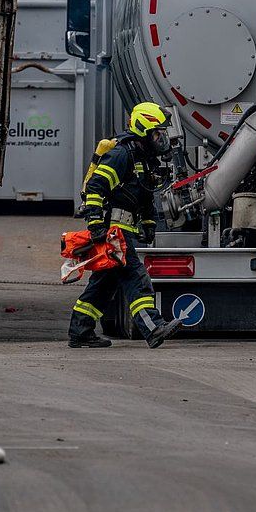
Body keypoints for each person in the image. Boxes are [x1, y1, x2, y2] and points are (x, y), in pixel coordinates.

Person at [68, 102, 183, 349]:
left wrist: (150, 223)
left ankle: (80, 330)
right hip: (112, 232)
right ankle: (153, 328)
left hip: (123, 232)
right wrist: (97, 225)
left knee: (103, 284)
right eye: (157, 133)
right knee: (135, 276)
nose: (161, 138)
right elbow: (96, 188)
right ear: (142, 130)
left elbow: (145, 195)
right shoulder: (121, 155)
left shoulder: (143, 159)